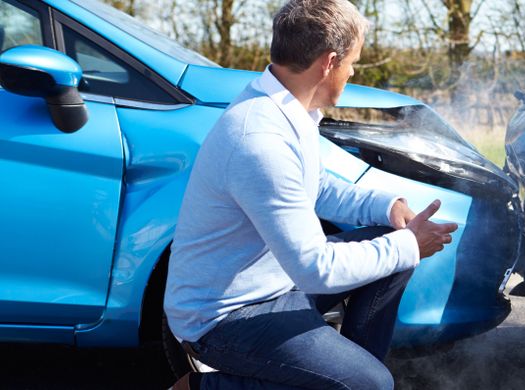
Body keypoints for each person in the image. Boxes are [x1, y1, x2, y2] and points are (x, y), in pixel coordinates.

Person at [163, 0, 458, 389]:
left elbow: (315, 187)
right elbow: (315, 268)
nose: (353, 72)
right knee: (372, 384)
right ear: (330, 62)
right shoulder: (260, 139)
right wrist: (410, 245)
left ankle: (340, 377)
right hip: (222, 318)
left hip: (272, 285)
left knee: (393, 248)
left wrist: (389, 208)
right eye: (353, 62)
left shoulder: (285, 109)